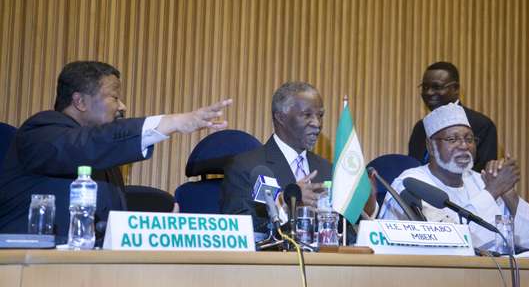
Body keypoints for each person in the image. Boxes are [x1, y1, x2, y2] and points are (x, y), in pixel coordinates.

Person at [0, 61, 232, 238]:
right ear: (80, 101)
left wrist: (153, 232)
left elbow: (108, 224)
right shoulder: (39, 131)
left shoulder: (106, 157)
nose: (122, 106)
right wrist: (171, 122)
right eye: (114, 97)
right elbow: (86, 145)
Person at [220, 81, 377, 233]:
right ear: (281, 117)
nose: (317, 123)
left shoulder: (328, 170)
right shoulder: (245, 166)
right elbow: (240, 228)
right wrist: (286, 204)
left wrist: (367, 205)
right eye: (307, 115)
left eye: (320, 115)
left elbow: (344, 232)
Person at [380, 102, 529, 250]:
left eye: (469, 139)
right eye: (452, 139)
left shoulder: (481, 180)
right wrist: (492, 191)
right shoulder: (411, 184)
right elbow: (447, 244)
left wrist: (508, 192)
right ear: (431, 146)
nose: (464, 145)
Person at [408, 61, 497, 172]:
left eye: (436, 87)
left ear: (455, 89)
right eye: (425, 87)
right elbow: (413, 168)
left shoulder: (481, 125)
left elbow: (483, 174)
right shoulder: (421, 127)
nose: (429, 92)